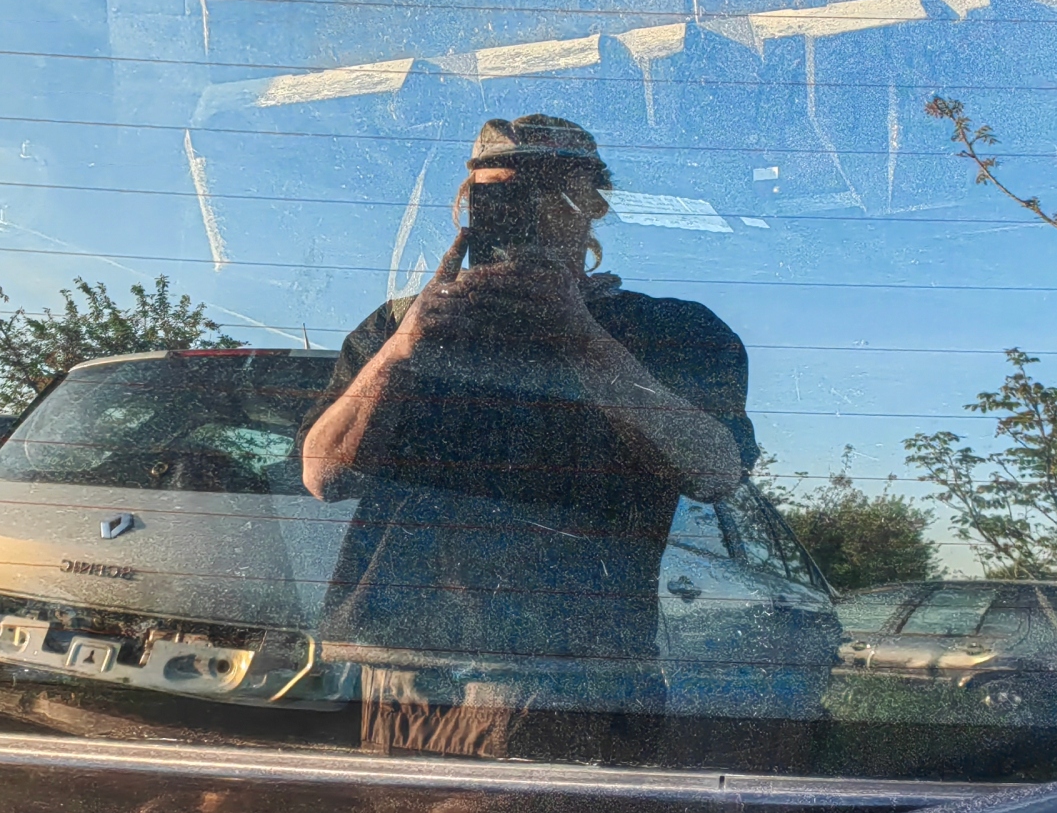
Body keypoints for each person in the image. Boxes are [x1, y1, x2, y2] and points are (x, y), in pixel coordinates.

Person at [301, 114, 757, 759]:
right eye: (499, 194)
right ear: (467, 207)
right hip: (400, 661)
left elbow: (716, 471)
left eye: (549, 189)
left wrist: (584, 338)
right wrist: (406, 348)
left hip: (570, 671)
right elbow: (322, 475)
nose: (524, 210)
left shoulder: (672, 331)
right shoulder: (402, 328)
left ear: (594, 205)